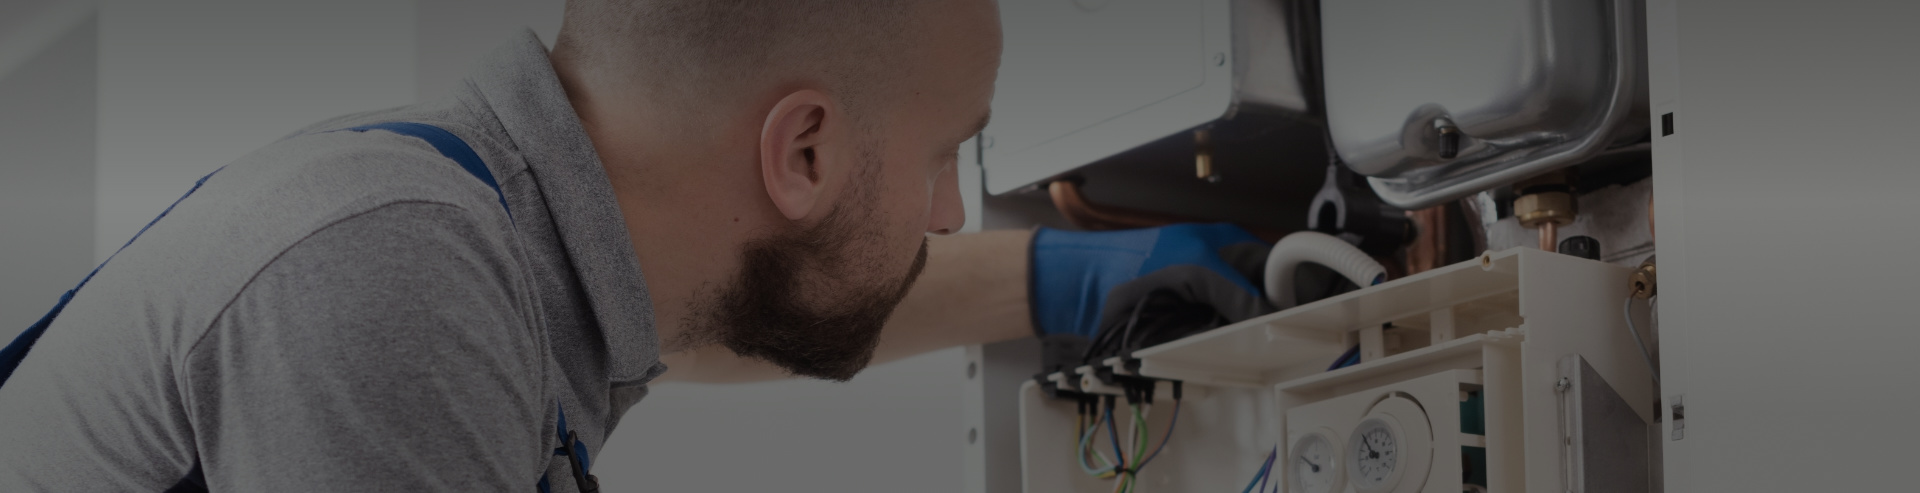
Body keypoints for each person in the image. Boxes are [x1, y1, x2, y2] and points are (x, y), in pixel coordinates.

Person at [0, 0, 1273, 490]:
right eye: (947, 154)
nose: (951, 211)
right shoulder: (392, 270)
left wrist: (1075, 272)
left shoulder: (498, 254)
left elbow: (751, 319)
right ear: (804, 152)